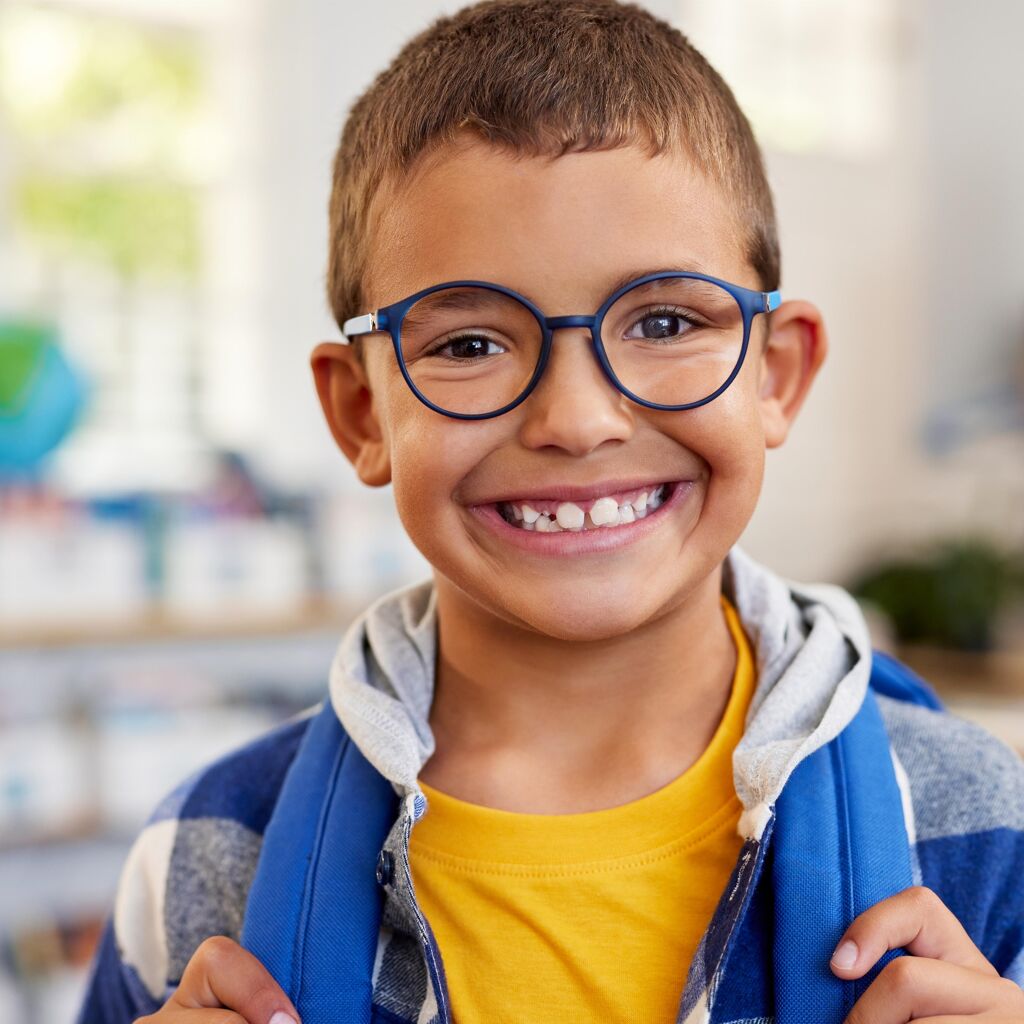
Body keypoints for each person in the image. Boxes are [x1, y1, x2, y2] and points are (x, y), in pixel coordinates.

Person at [76, 2, 1024, 1022]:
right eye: (470, 344)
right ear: (360, 412)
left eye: (664, 321)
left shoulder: (973, 822)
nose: (575, 420)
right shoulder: (210, 854)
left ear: (776, 375)